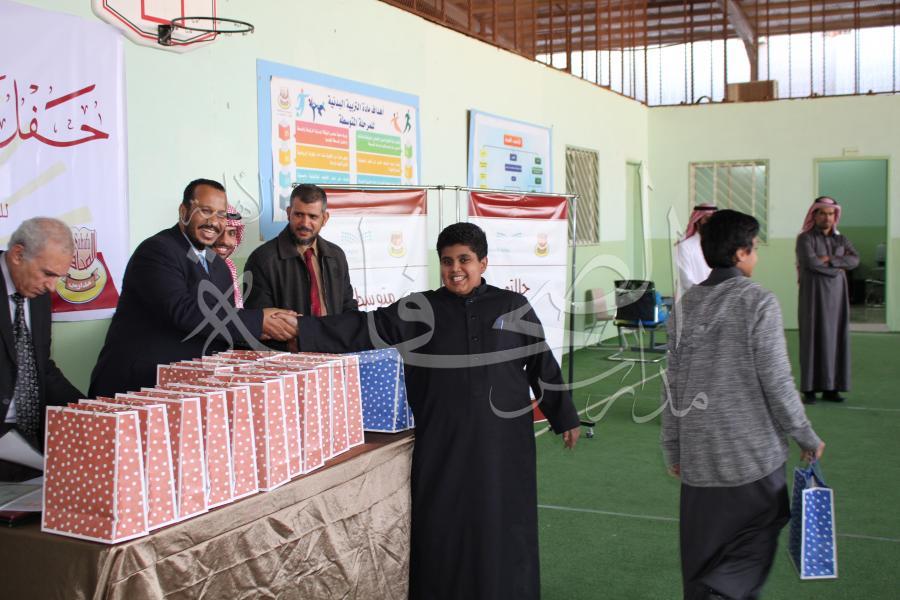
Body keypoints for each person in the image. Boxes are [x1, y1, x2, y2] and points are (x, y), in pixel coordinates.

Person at [293, 222, 580, 600]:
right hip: (443, 443)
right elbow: (364, 327)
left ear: (483, 263)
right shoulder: (420, 309)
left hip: (505, 446)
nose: (455, 269)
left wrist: (564, 416)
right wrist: (300, 330)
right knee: (443, 525)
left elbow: (541, 363)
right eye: (447, 261)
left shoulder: (513, 307)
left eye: (464, 260)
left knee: (505, 523)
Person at [661, 209, 825, 600]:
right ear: (740, 253)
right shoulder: (758, 301)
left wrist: (673, 447)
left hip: (700, 457)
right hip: (752, 457)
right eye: (754, 248)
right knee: (754, 541)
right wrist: (805, 435)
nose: (757, 255)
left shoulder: (685, 306)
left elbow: (672, 385)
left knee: (702, 556)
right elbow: (777, 381)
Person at [89, 179, 297, 398]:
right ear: (183, 211)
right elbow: (184, 311)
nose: (213, 222)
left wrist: (266, 331)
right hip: (136, 386)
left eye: (220, 215)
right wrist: (258, 321)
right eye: (205, 211)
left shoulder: (219, 266)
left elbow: (221, 323)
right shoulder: (157, 250)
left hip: (186, 387)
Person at [0, 218, 83, 480]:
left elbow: (41, 366)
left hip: (29, 439)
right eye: (48, 274)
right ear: (18, 255)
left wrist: (88, 409)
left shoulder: (37, 294)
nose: (52, 287)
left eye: (58, 277)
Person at [244, 184, 357, 321]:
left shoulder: (336, 256)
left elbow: (348, 307)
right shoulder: (262, 260)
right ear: (288, 213)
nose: (305, 223)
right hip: (289, 336)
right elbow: (259, 321)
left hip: (333, 335)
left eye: (313, 217)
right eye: (299, 214)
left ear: (324, 218)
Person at [796, 196, 859, 404]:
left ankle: (832, 388)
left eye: (830, 214)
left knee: (836, 338)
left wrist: (830, 260)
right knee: (812, 337)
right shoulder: (804, 239)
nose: (827, 218)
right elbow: (811, 263)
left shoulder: (841, 240)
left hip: (837, 298)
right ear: (814, 215)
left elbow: (854, 259)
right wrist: (838, 267)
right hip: (813, 296)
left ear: (835, 216)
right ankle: (809, 390)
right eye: (822, 213)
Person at [675, 203, 717, 297]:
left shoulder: (717, 246)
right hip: (691, 299)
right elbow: (686, 281)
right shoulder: (685, 246)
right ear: (697, 221)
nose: (711, 224)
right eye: (707, 219)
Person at [212, 205, 245, 308]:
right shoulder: (194, 267)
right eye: (218, 231)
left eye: (232, 233)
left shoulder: (228, 265)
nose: (225, 241)